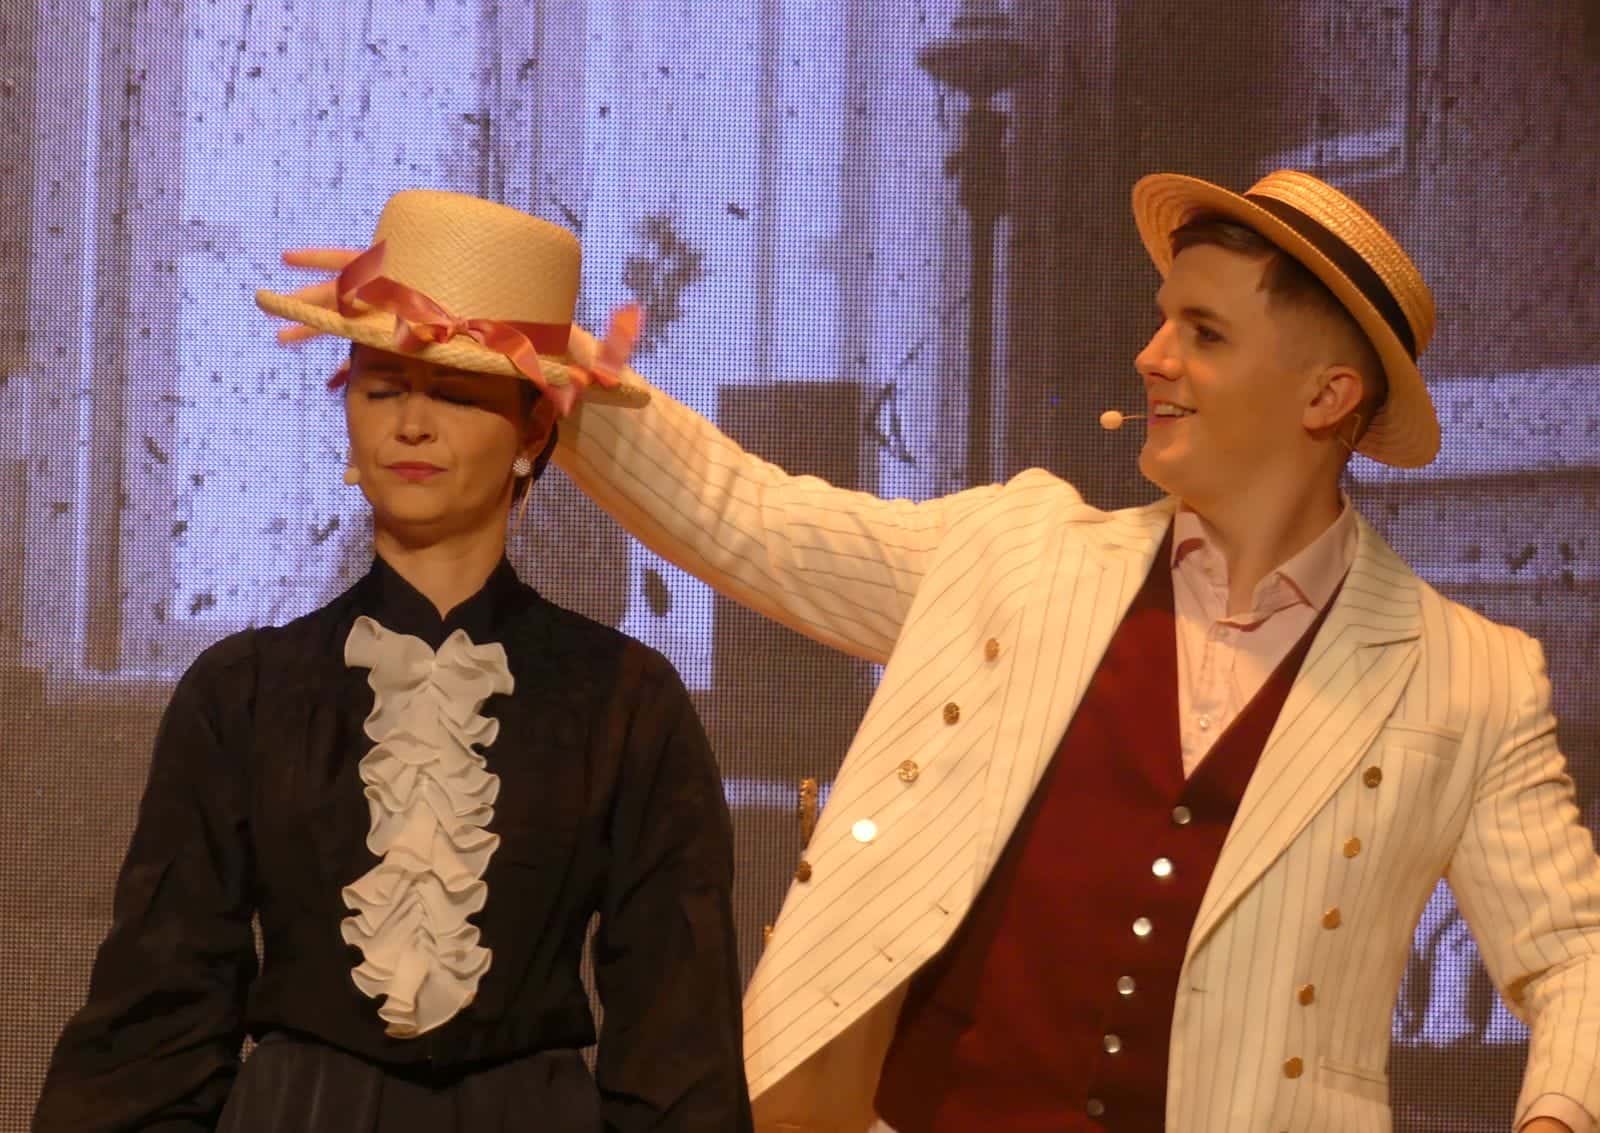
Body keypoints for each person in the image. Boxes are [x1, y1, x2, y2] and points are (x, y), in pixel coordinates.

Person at [542, 170, 1600, 1132]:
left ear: (1325, 396)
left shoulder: (1468, 674)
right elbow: (747, 515)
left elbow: (1574, 955)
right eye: (1161, 319)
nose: (1153, 355)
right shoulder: (1019, 555)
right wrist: (541, 355)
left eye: (1203, 332)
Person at [31, 190, 753, 1133]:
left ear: (534, 432)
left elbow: (677, 1049)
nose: (412, 424)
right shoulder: (243, 693)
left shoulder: (625, 701)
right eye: (382, 388)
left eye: (455, 393)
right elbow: (156, 1023)